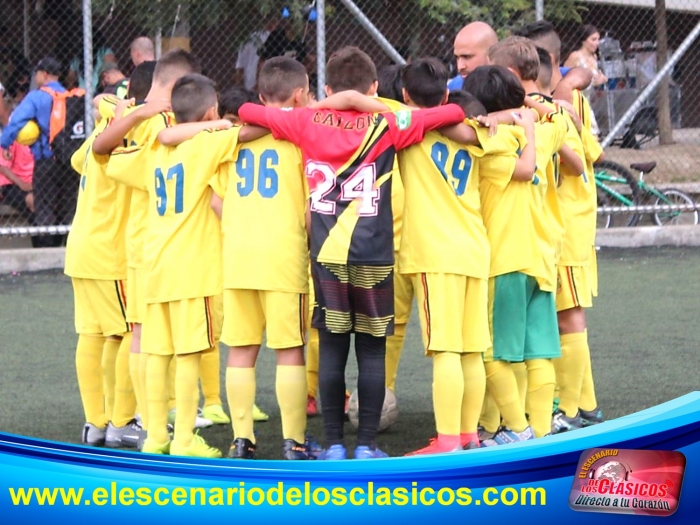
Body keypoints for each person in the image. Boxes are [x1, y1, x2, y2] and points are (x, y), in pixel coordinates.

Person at [238, 46, 467, 460]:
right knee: (371, 350)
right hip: (374, 255)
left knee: (331, 347)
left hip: (325, 257)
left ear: (325, 86)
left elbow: (248, 111)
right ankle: (366, 445)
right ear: (376, 87)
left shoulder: (305, 119)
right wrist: (365, 103)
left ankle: (332, 445)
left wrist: (328, 104)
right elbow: (454, 114)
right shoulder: (389, 122)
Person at [163, 57, 312, 460]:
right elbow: (310, 207)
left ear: (261, 96)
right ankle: (294, 441)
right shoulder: (299, 137)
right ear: (300, 95)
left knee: (242, 351)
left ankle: (241, 439)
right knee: (290, 350)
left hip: (239, 255)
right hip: (282, 254)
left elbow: (216, 200)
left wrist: (246, 223)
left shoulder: (232, 140)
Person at [107, 74, 242, 458]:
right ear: (211, 110)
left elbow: (111, 157)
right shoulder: (208, 142)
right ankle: (183, 440)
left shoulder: (153, 149)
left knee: (156, 355)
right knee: (186, 356)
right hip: (192, 271)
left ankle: (153, 438)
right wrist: (222, 124)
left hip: (155, 267)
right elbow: (244, 134)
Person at [95, 49, 202, 452]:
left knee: (142, 336)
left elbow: (102, 143)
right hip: (153, 240)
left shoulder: (134, 116)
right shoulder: (160, 121)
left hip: (140, 241)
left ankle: (145, 418)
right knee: (147, 338)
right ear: (175, 88)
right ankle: (143, 419)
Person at [396, 59, 491, 455]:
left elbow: (376, 109)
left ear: (405, 96)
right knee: (471, 349)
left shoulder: (404, 127)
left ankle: (448, 441)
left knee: (447, 349)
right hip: (474, 247)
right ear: (448, 94)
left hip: (435, 253)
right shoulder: (476, 129)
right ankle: (469, 435)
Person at [485, 37, 570, 440]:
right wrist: (529, 110)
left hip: (506, 254)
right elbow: (559, 122)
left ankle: (515, 430)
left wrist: (502, 116)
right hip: (542, 253)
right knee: (538, 351)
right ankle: (539, 432)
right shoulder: (547, 123)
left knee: (497, 351)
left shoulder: (493, 137)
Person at [0, 57, 73, 248]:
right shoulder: (69, 95)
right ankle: (63, 250)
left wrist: (5, 143)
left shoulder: (36, 97)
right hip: (69, 161)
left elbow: (16, 121)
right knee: (65, 207)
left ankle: (45, 249)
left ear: (44, 74)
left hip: (46, 161)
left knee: (45, 207)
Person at [448, 21, 499, 91]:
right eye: (457, 57)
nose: (460, 66)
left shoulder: (510, 88)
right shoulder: (453, 88)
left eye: (467, 57)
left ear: (491, 55)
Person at [235, 17, 278, 90]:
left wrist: (239, 88)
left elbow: (240, 67)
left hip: (248, 83)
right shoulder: (276, 39)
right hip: (267, 86)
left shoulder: (248, 38)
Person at [564, 25, 607, 89]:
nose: (597, 43)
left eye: (598, 39)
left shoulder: (594, 57)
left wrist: (603, 79)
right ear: (583, 41)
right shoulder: (575, 56)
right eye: (593, 39)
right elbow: (564, 80)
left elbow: (595, 79)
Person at [0, 139, 33, 218]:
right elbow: (3, 167)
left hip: (37, 183)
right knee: (32, 200)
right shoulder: (12, 137)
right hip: (13, 184)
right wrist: (22, 184)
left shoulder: (44, 138)